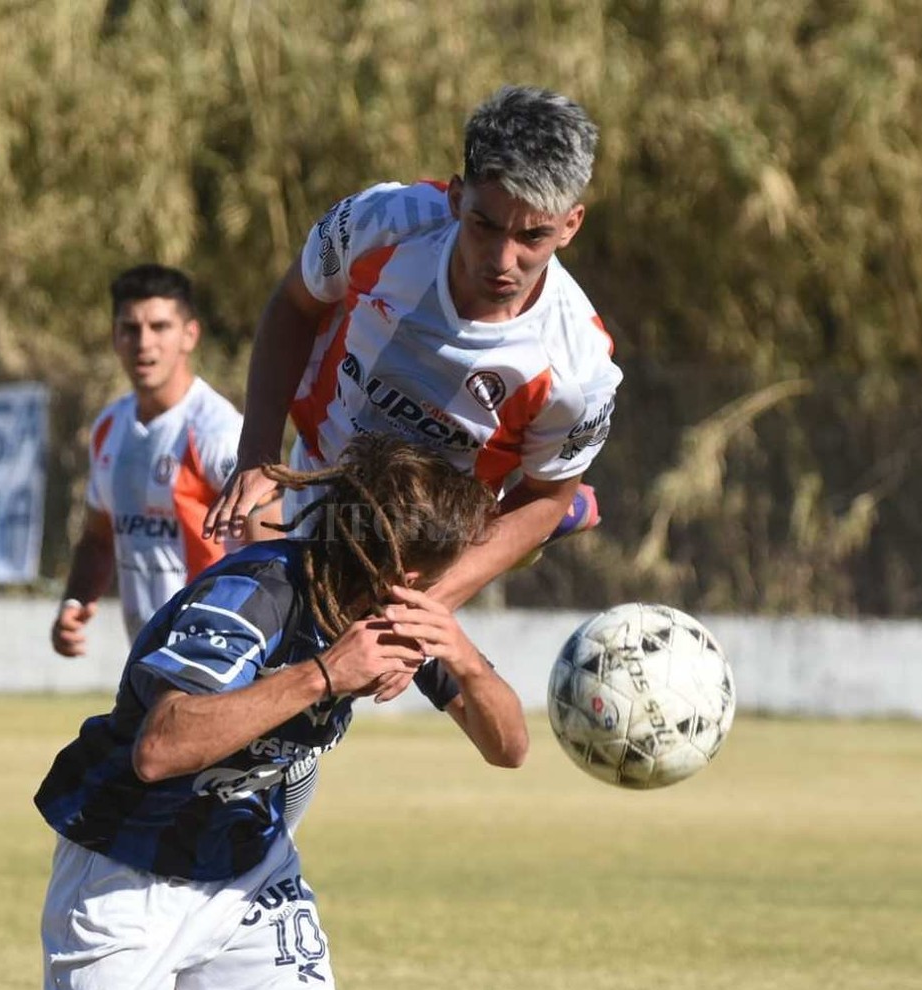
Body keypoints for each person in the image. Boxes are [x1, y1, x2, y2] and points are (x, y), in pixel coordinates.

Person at [33, 433, 528, 990]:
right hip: (128, 875)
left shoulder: (398, 612)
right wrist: (324, 676)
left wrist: (465, 660)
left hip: (249, 867)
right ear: (408, 574)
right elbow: (159, 749)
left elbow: (509, 748)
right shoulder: (253, 594)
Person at [205, 84, 621, 607]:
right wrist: (257, 456)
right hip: (321, 470)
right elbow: (294, 305)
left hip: (431, 538)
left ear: (570, 226)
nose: (501, 259)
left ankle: (552, 509)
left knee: (339, 664)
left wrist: (432, 603)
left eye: (531, 237)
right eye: (484, 225)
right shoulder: (379, 224)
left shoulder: (577, 366)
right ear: (455, 197)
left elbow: (543, 496)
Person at [53, 264, 245, 649]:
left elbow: (271, 542)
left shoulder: (218, 431)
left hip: (214, 654)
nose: (144, 343)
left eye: (160, 327)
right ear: (115, 337)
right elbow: (97, 536)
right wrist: (75, 600)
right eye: (130, 329)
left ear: (189, 335)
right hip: (147, 654)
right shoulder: (110, 427)